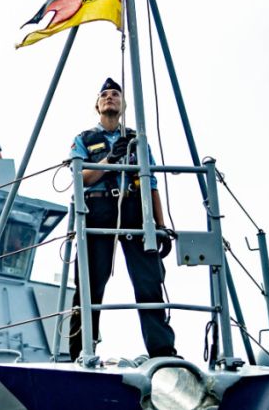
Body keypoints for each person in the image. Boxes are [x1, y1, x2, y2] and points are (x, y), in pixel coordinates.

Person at [68, 77, 177, 361]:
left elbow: (150, 181)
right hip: (98, 210)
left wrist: (160, 226)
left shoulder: (137, 141)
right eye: (104, 94)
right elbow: (81, 178)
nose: (110, 97)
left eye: (115, 94)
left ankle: (162, 351)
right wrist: (110, 160)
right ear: (97, 105)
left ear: (124, 104)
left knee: (148, 280)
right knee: (90, 282)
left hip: (133, 208)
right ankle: (81, 351)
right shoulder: (83, 140)